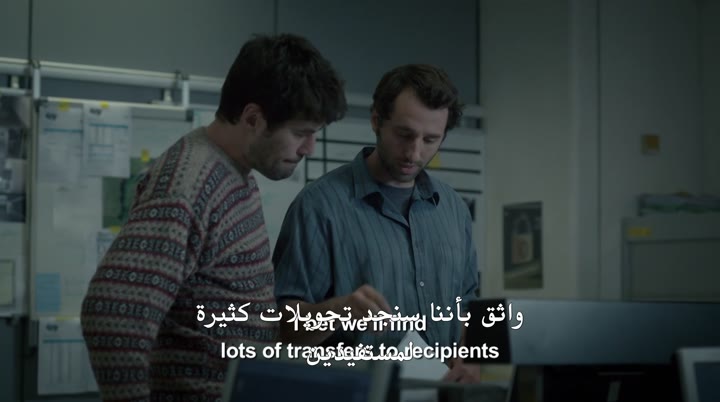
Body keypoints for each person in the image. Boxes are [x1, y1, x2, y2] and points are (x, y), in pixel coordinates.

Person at [80, 33, 346, 401]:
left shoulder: (235, 173)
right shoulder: (189, 185)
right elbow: (112, 315)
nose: (309, 148)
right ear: (253, 118)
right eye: (301, 133)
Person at [272, 64, 481, 383]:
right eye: (404, 135)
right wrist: (338, 312)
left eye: (430, 139)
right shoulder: (319, 206)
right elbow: (280, 330)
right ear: (376, 121)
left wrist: (471, 357)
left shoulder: (453, 209)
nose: (414, 152)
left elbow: (467, 304)